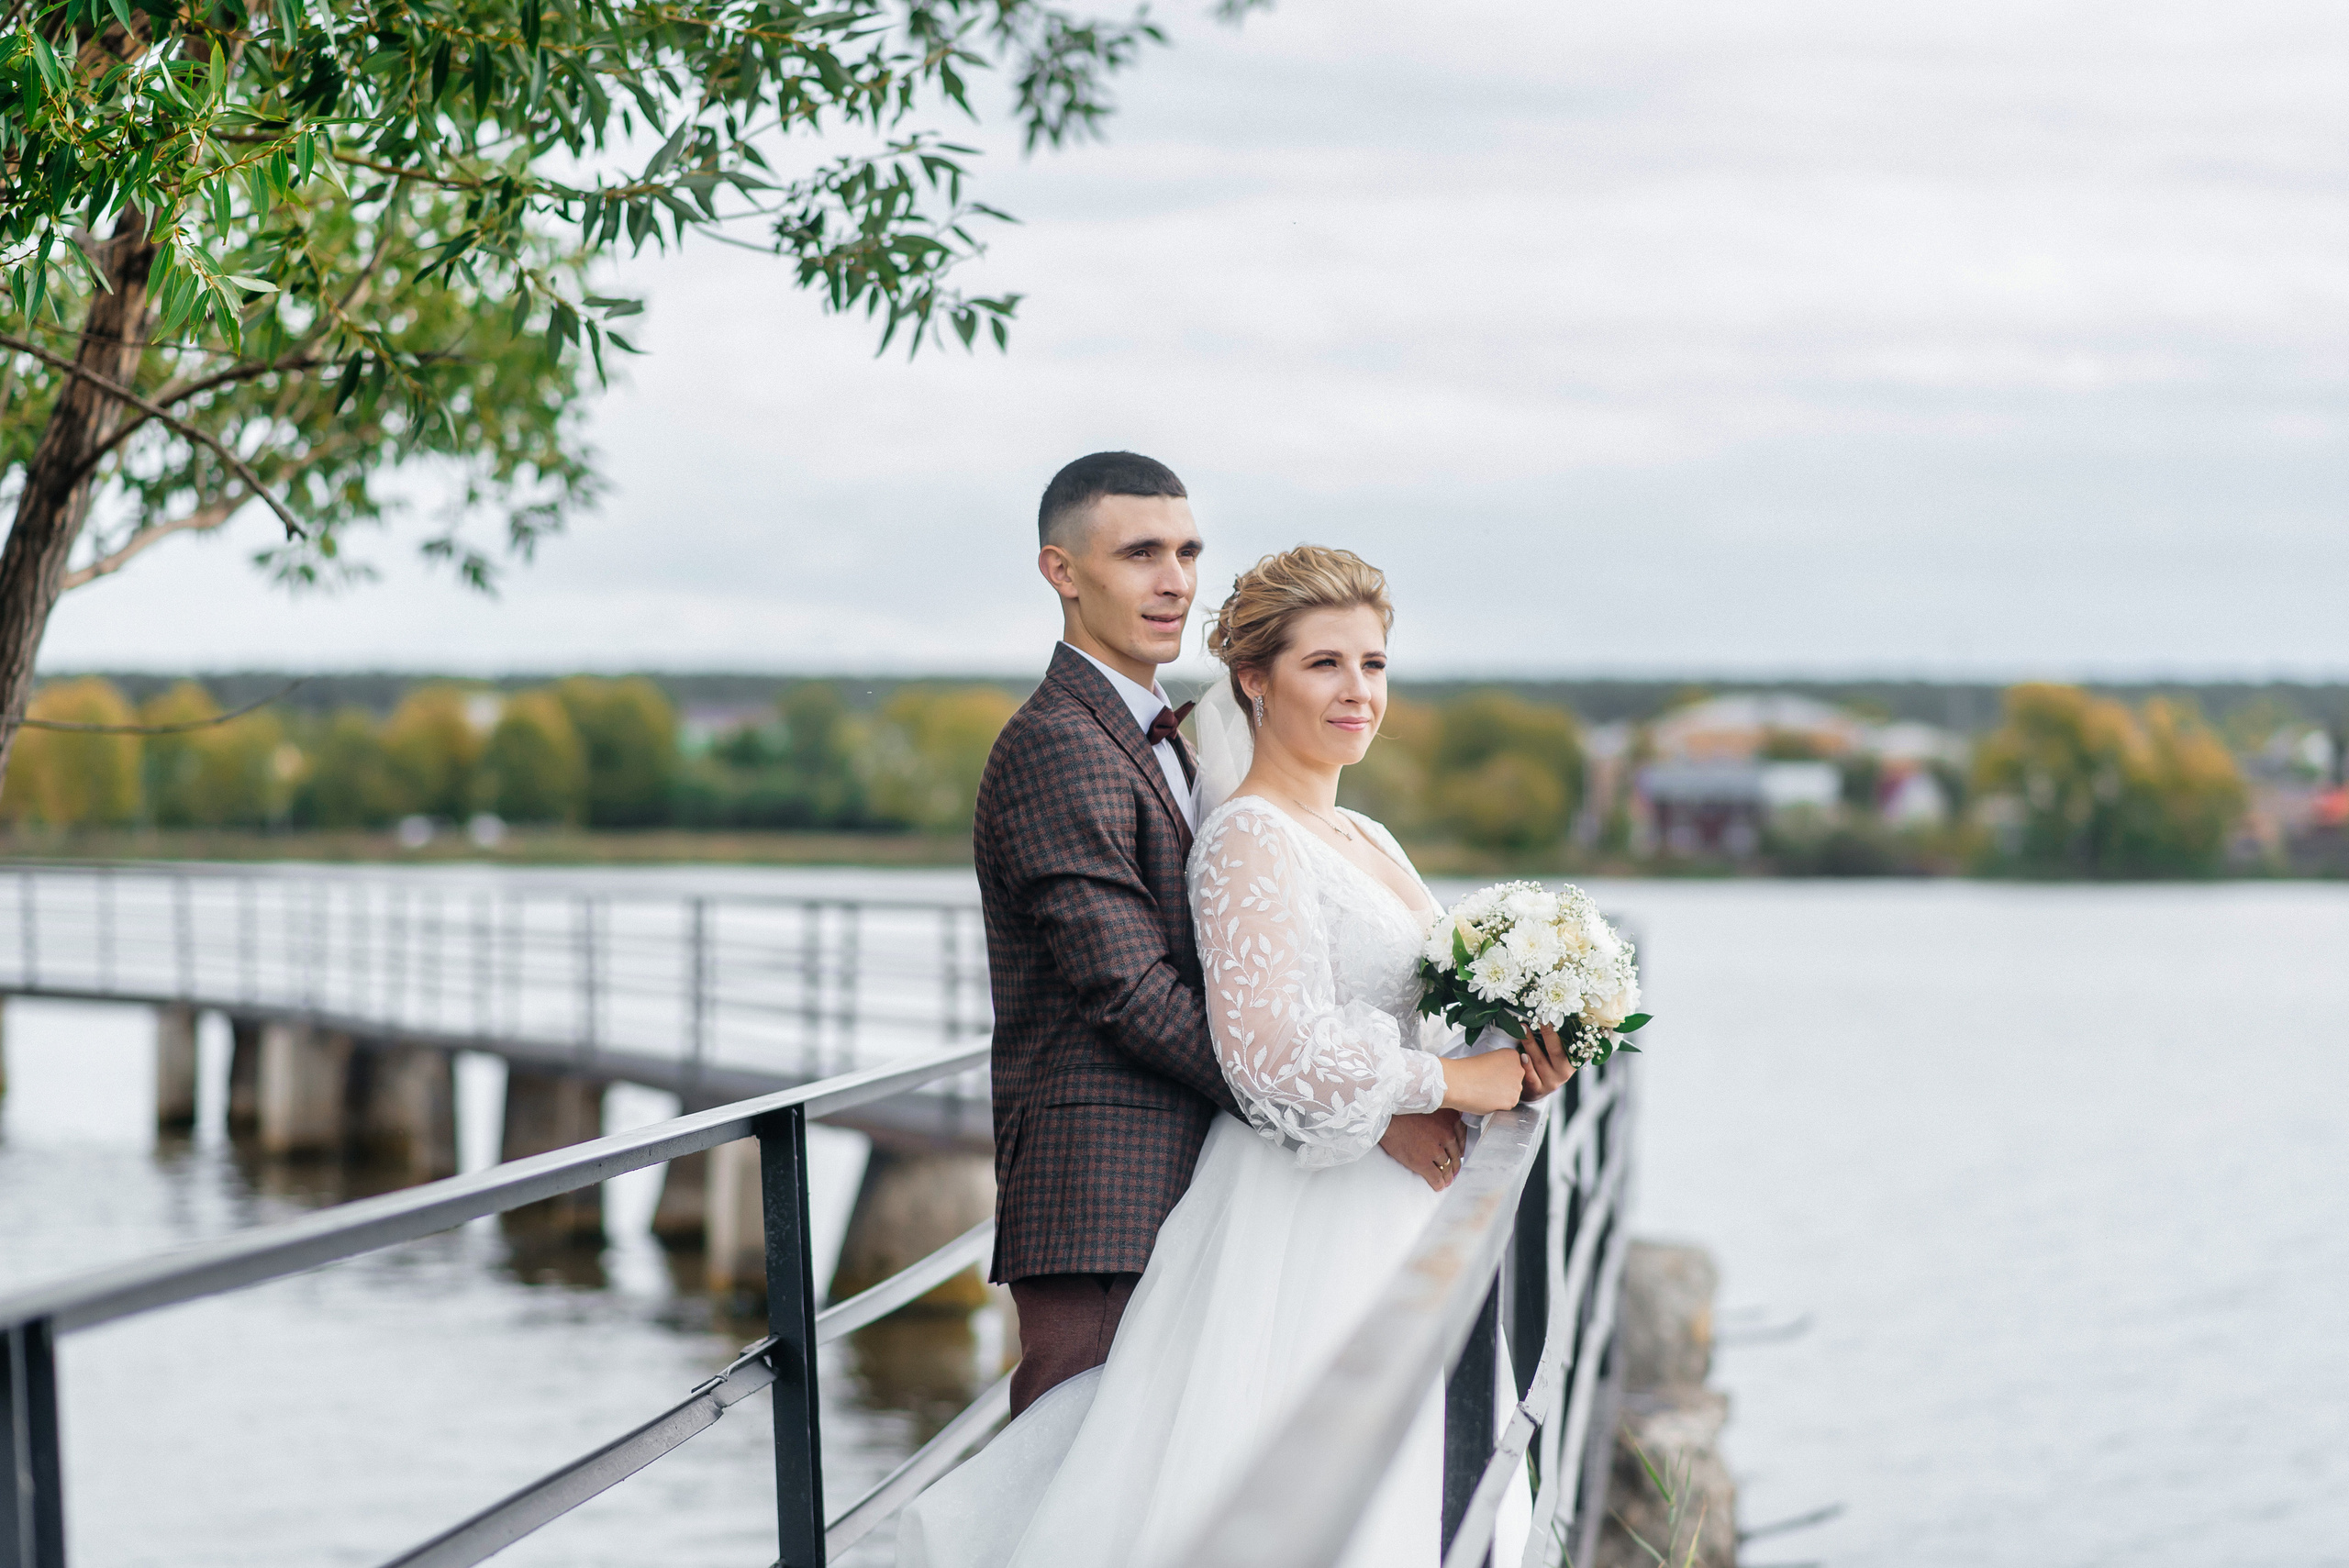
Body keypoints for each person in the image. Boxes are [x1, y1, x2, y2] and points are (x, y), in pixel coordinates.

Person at [905, 531, 1573, 1567]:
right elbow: (1266, 1050)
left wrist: (1521, 1051)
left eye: (1373, 663)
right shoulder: (1250, 836)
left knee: (1422, 1479)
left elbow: (1401, 1016)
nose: (1358, 690)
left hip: (1396, 1213)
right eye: (1325, 663)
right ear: (1253, 679)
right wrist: (1450, 1080)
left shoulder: (1371, 838)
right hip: (1302, 1214)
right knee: (1301, 1486)